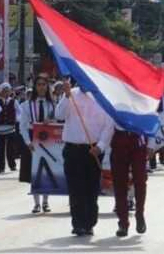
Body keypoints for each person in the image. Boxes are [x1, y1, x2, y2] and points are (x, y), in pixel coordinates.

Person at [57, 80, 114, 237]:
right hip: (72, 149)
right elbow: (59, 115)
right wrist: (66, 96)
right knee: (75, 189)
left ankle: (89, 223)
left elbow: (108, 126)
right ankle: (78, 223)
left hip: (92, 151)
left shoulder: (102, 97)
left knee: (90, 188)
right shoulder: (71, 94)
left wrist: (101, 146)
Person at [18, 75, 58, 214]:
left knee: (47, 171)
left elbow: (59, 122)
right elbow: (22, 126)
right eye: (39, 84)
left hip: (48, 139)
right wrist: (27, 142)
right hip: (32, 137)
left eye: (44, 84)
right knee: (34, 171)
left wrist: (51, 121)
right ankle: (36, 203)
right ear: (35, 87)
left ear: (47, 87)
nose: (41, 87)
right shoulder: (26, 105)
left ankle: (46, 202)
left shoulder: (52, 105)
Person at [109, 126, 156, 237]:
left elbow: (151, 118)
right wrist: (101, 145)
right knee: (119, 184)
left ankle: (139, 214)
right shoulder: (116, 107)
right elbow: (108, 122)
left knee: (140, 181)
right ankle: (123, 223)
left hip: (137, 139)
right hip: (119, 139)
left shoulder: (141, 106)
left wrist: (151, 143)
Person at [0, 82, 20, 173]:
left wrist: (16, 119)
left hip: (10, 126)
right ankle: (0, 167)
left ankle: (12, 165)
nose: (6, 93)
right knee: (0, 148)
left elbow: (19, 112)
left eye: (7, 91)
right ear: (0, 92)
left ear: (10, 92)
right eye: (4, 91)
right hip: (0, 127)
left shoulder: (14, 101)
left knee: (11, 147)